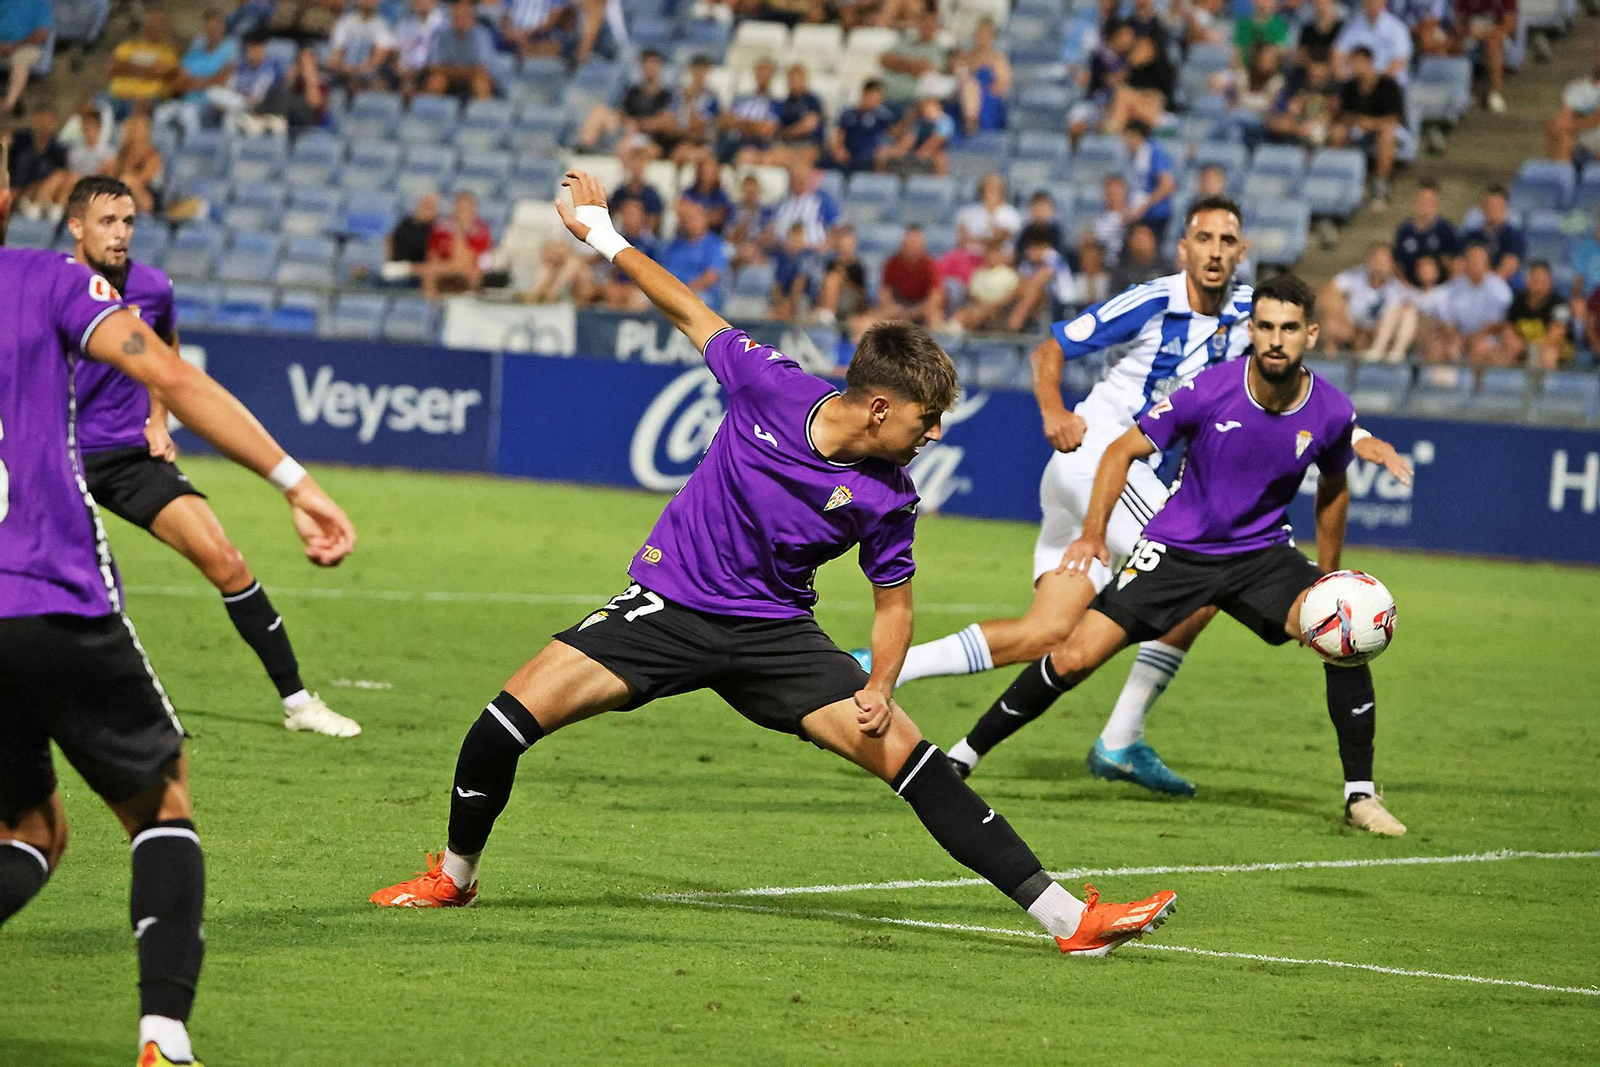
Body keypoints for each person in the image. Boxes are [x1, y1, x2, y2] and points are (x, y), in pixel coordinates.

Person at [368, 168, 1182, 961]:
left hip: (775, 637)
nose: (932, 436)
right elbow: (688, 308)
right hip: (669, 608)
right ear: (877, 406)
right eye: (924, 421)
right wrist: (604, 235)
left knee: (914, 761)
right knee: (497, 729)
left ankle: (1069, 916)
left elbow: (893, 605)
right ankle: (455, 876)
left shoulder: (890, 495)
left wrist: (881, 683)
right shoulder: (769, 385)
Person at [0, 165, 356, 1067]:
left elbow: (159, 369)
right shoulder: (40, 279)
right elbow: (168, 368)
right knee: (160, 801)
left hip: (114, 475)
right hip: (47, 584)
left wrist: (155, 416)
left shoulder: (140, 283)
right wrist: (295, 482)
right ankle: (164, 1035)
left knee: (31, 829)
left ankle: (296, 691)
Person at [870, 199, 1408, 793]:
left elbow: (1302, 392)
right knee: (1205, 568)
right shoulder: (1153, 301)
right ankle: (1121, 738)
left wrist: (1357, 434)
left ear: (1241, 251)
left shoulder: (1251, 314)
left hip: (1114, 474)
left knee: (1050, 634)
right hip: (1102, 459)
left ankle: (877, 667)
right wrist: (1053, 411)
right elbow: (1049, 348)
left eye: (1227, 240)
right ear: (1184, 247)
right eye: (1203, 238)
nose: (1214, 250)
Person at [961, 273, 1408, 836]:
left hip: (1262, 557)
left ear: (1310, 334)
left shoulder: (1331, 410)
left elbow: (1334, 484)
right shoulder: (1209, 388)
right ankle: (964, 754)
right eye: (1265, 326)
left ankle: (1360, 796)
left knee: (1345, 635)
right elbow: (1122, 449)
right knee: (1074, 655)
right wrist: (1095, 534)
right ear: (1252, 329)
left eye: (1289, 328)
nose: (1275, 339)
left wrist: (1328, 575)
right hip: (1177, 549)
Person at [65, 176, 361, 738]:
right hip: (57, 456)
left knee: (225, 559)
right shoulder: (53, 288)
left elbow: (167, 363)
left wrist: (156, 419)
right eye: (108, 222)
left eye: (128, 222)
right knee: (76, 584)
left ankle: (299, 703)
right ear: (75, 226)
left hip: (127, 455)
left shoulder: (153, 288)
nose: (121, 234)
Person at [1328, 46, 1405, 208]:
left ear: (1369, 62)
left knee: (1387, 133)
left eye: (1358, 62)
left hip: (1384, 129)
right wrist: (1358, 120)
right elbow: (1343, 115)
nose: (1354, 67)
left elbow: (1393, 118)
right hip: (1357, 130)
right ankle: (1339, 177)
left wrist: (1371, 123)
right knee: (1336, 132)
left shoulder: (1388, 85)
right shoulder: (1349, 87)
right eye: (1352, 63)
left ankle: (1380, 183)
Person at [1423, 241, 1514, 364]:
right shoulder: (1455, 286)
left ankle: (1476, 383)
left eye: (1479, 260)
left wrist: (1471, 339)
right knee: (1436, 349)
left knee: (1479, 350)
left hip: (1489, 338)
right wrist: (1454, 337)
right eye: (1472, 259)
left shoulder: (1499, 287)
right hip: (1460, 337)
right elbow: (1448, 319)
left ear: (1487, 263)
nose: (1475, 264)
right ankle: (1437, 383)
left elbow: (1497, 324)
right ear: (1465, 262)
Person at [154, 9, 239, 138]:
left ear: (223, 27)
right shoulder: (196, 51)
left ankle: (191, 155)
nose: (212, 31)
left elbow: (221, 80)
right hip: (185, 100)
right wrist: (202, 82)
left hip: (210, 103)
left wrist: (193, 81)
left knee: (187, 116)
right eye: (209, 27)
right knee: (160, 115)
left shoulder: (230, 48)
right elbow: (179, 82)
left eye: (216, 26)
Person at [576, 47, 673, 155]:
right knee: (600, 111)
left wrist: (639, 125)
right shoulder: (633, 91)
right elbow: (622, 113)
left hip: (653, 139)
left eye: (653, 63)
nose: (649, 67)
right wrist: (628, 122)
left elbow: (666, 121)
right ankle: (584, 148)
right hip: (629, 133)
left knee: (632, 144)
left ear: (660, 66)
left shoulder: (668, 94)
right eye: (645, 63)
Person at [1319, 242, 1405, 353]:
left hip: (1376, 333)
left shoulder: (1397, 288)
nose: (1380, 265)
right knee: (1330, 320)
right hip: (1350, 326)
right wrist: (1340, 314)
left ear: (1392, 264)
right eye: (1377, 260)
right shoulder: (1355, 276)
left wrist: (1369, 332)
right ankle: (1330, 361)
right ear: (1368, 261)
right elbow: (1328, 291)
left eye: (1384, 261)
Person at [1367, 253, 1448, 362]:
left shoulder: (1444, 292)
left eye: (1429, 267)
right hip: (1409, 330)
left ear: (1437, 270)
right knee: (1398, 309)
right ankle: (1378, 349)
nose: (1425, 270)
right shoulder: (1414, 293)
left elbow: (1445, 318)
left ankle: (1397, 351)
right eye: (1421, 267)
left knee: (1410, 311)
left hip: (1430, 330)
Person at [946, 173, 1022, 285]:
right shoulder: (967, 213)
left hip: (997, 259)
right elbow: (963, 240)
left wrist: (991, 214)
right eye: (988, 187)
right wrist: (986, 241)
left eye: (995, 188)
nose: (991, 191)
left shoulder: (1011, 214)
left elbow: (998, 240)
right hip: (970, 257)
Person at [107, 8, 181, 116]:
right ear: (145, 26)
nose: (153, 28)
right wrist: (146, 69)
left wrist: (128, 67)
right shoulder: (130, 45)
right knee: (88, 108)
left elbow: (158, 72)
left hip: (147, 100)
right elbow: (113, 69)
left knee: (140, 108)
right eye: (150, 24)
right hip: (116, 96)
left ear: (163, 28)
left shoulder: (168, 51)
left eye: (157, 25)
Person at [657, 197, 727, 312]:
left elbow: (711, 277)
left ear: (704, 219)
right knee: (641, 299)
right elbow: (664, 272)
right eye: (687, 219)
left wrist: (684, 291)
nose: (690, 222)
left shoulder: (716, 244)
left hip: (702, 295)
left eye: (695, 218)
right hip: (672, 293)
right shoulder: (674, 245)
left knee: (692, 302)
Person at [420, 190, 493, 297]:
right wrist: (445, 266)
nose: (462, 211)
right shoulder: (441, 229)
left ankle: (469, 304)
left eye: (466, 207)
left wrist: (462, 235)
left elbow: (481, 261)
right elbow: (433, 255)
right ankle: (432, 307)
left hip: (468, 270)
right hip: (445, 268)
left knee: (475, 276)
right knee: (429, 273)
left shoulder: (481, 231)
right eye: (460, 207)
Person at [1502, 260, 1573, 369]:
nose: (1539, 285)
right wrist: (1513, 343)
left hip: (1555, 350)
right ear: (1528, 280)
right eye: (1535, 280)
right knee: (1502, 352)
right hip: (1522, 348)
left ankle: (1547, 386)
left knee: (1548, 354)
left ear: (1550, 281)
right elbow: (1508, 328)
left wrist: (1528, 347)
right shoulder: (1518, 301)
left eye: (1543, 281)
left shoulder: (1560, 304)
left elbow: (1555, 335)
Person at [870, 225, 945, 328]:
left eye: (916, 244)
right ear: (902, 245)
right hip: (899, 304)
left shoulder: (929, 265)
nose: (912, 248)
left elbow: (936, 297)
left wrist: (916, 311)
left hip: (921, 306)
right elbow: (884, 294)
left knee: (935, 317)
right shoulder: (892, 263)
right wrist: (893, 308)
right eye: (909, 244)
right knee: (878, 317)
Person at [1448, 0, 1516, 114]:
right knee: (1452, 44)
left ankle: (1495, 92)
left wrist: (1484, 33)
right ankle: (1458, 95)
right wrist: (1466, 32)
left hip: (1498, 36)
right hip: (1470, 35)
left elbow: (1509, 26)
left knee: (1493, 44)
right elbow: (1458, 25)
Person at [951, 16, 1011, 136]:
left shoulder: (998, 59)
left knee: (971, 86)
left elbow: (1002, 86)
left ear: (992, 36)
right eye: (979, 32)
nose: (981, 36)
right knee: (968, 85)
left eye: (985, 33)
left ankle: (972, 121)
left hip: (986, 100)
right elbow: (953, 75)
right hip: (959, 99)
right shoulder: (964, 56)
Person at [6, 107, 68, 220]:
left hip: (38, 192)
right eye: (41, 120)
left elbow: (56, 176)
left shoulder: (58, 150)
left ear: (54, 124)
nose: (44, 125)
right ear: (34, 121)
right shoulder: (19, 140)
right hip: (13, 186)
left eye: (48, 122)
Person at [425, 0, 495, 101]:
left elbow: (482, 69)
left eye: (464, 17)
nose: (459, 20)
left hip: (472, 79)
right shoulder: (443, 35)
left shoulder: (482, 35)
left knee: (480, 83)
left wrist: (452, 70)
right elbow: (434, 67)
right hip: (451, 79)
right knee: (436, 81)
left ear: (471, 19)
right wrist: (462, 71)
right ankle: (429, 114)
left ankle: (484, 114)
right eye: (456, 17)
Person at [1120, 120, 1175, 244]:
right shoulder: (1132, 157)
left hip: (1155, 215)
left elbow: (1167, 185)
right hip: (1139, 214)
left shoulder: (1155, 153)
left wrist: (1144, 206)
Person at [1393, 180, 1458, 285]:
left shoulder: (1446, 230)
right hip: (1410, 289)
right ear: (1415, 202)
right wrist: (1406, 288)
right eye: (1422, 200)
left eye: (1429, 201)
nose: (1425, 205)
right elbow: (1397, 265)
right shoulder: (1404, 229)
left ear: (1436, 203)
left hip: (1440, 290)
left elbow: (1455, 265)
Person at [1332, 0, 1412, 85]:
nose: (1372, 6)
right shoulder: (1352, 26)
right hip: (1355, 84)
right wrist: (1341, 74)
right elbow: (1337, 54)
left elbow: (1400, 62)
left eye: (1376, 2)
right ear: (1363, 3)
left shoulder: (1398, 29)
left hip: (1387, 84)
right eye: (1369, 2)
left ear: (1384, 3)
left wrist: (1373, 81)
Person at [768, 160, 842, 251]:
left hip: (813, 252)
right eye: (796, 178)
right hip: (782, 251)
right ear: (790, 180)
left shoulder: (823, 200)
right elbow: (770, 226)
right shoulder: (781, 202)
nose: (800, 182)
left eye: (803, 178)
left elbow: (836, 228)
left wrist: (826, 245)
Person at [326, 0, 398, 94]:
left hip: (369, 73)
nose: (368, 1)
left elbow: (378, 58)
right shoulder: (345, 22)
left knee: (380, 84)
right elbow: (337, 52)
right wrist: (345, 69)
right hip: (344, 70)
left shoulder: (382, 25)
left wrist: (359, 71)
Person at [720, 57, 782, 164]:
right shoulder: (741, 99)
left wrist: (740, 123)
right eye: (760, 70)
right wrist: (753, 126)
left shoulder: (775, 103)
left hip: (758, 146)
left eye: (766, 71)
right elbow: (725, 121)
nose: (763, 75)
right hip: (732, 143)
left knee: (747, 156)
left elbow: (766, 130)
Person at [99, 114, 163, 217]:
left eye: (137, 129)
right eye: (132, 128)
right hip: (122, 191)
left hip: (146, 196)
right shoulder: (123, 152)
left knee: (127, 180)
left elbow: (141, 180)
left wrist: (124, 172)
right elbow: (109, 170)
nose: (134, 132)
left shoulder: (152, 155)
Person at [1545, 44, 1600, 163]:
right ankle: (1562, 179)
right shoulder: (1578, 88)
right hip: (1583, 147)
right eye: (1598, 54)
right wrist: (1592, 121)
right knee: (1560, 136)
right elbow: (1561, 124)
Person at [1461, 184, 1525, 283]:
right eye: (1489, 205)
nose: (1493, 210)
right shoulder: (1471, 236)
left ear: (1505, 208)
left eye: (1497, 206)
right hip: (1472, 286)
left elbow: (1508, 268)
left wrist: (1485, 286)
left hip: (1503, 287)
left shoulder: (1514, 236)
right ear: (1482, 208)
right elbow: (1460, 264)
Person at [830, 80, 896, 175]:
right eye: (874, 97)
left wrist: (889, 151)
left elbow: (900, 135)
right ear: (864, 93)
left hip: (872, 159)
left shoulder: (883, 116)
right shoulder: (848, 113)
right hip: (849, 157)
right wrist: (839, 149)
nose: (877, 101)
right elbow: (839, 135)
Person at [0, 0, 50, 116]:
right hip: (2, 44)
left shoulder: (41, 5)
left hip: (27, 46)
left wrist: (16, 46)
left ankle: (8, 105)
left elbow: (41, 34)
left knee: (21, 61)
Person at [379, 190, 440, 285]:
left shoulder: (436, 230)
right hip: (397, 267)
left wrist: (414, 268)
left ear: (436, 210)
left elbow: (434, 260)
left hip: (418, 272)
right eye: (423, 205)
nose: (425, 209)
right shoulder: (405, 223)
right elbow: (390, 241)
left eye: (430, 207)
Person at [774, 64, 826, 164]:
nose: (794, 83)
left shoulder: (812, 100)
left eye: (798, 79)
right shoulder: (785, 102)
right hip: (787, 145)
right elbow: (777, 127)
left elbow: (809, 125)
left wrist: (788, 132)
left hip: (809, 144)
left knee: (801, 164)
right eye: (792, 80)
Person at [817, 224, 869, 325]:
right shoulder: (831, 263)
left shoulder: (858, 266)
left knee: (833, 279)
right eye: (842, 242)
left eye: (848, 242)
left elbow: (860, 290)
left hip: (851, 301)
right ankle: (824, 312)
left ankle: (828, 315)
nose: (844, 246)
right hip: (835, 299)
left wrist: (841, 275)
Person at [770, 220, 819, 319]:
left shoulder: (808, 256)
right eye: (793, 237)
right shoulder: (783, 258)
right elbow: (777, 284)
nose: (796, 241)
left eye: (799, 237)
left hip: (807, 300)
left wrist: (790, 304)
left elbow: (800, 282)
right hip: (785, 299)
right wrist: (779, 303)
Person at [395, 0, 446, 95]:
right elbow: (396, 50)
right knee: (379, 82)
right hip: (404, 69)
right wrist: (399, 68)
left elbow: (441, 55)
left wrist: (418, 70)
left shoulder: (444, 24)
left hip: (429, 69)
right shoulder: (404, 23)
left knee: (435, 81)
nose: (422, 3)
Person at [680, 155, 731, 234]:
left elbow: (719, 217)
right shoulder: (688, 193)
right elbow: (683, 213)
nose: (708, 175)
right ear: (699, 172)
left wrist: (696, 216)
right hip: (688, 235)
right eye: (706, 171)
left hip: (714, 235)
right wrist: (706, 215)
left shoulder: (721, 195)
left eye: (712, 171)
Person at [1109, 222, 1164, 291]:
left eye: (1146, 238)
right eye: (1139, 239)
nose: (1142, 243)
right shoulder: (1121, 272)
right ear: (1130, 242)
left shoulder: (1165, 267)